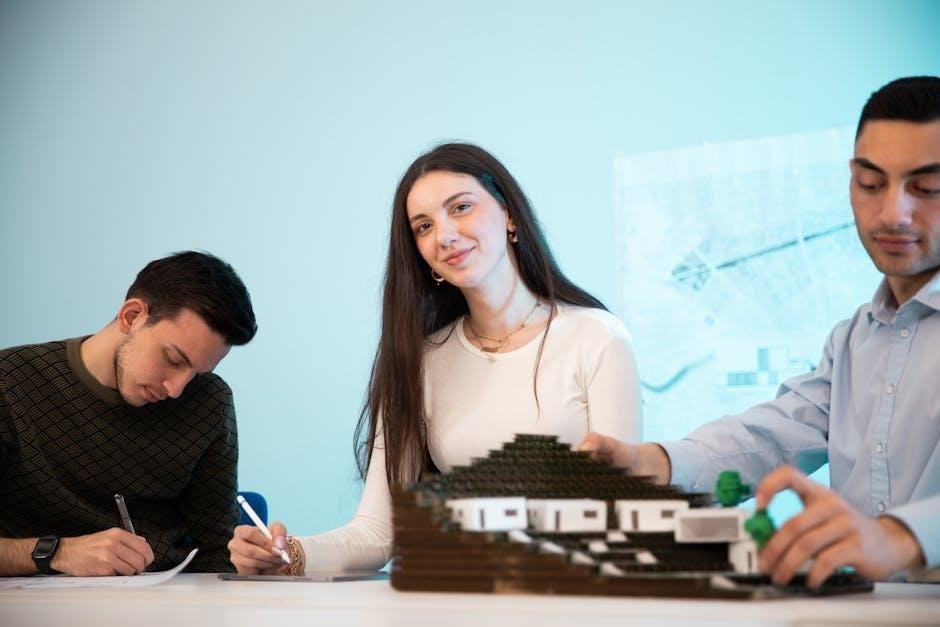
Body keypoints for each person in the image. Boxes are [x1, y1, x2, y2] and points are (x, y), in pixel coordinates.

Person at [580, 76, 940, 586]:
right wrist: (652, 462)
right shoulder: (853, 341)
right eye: (870, 183)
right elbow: (768, 437)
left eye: (927, 188)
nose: (892, 213)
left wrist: (903, 537)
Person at [229, 143, 642, 574]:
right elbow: (378, 531)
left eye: (461, 207)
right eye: (424, 226)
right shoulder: (422, 361)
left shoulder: (597, 337)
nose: (443, 236)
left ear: (510, 216)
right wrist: (288, 554)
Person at [0, 251, 258, 576]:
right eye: (174, 359)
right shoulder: (9, 382)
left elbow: (218, 548)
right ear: (132, 316)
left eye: (196, 373)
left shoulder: (209, 402)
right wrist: (58, 553)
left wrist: (256, 561)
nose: (177, 389)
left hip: (164, 597)